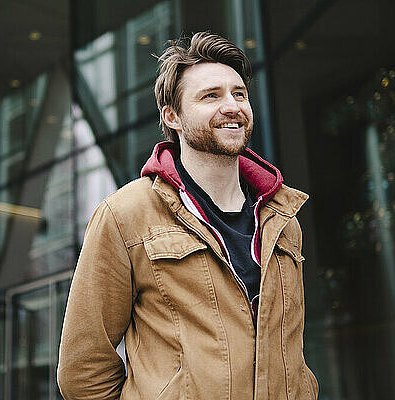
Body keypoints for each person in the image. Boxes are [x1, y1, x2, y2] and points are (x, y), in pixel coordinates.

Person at [57, 32, 318, 400]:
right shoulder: (124, 215)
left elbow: (292, 351)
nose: (232, 106)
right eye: (211, 96)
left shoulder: (283, 217)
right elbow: (82, 372)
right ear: (173, 116)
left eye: (238, 93)